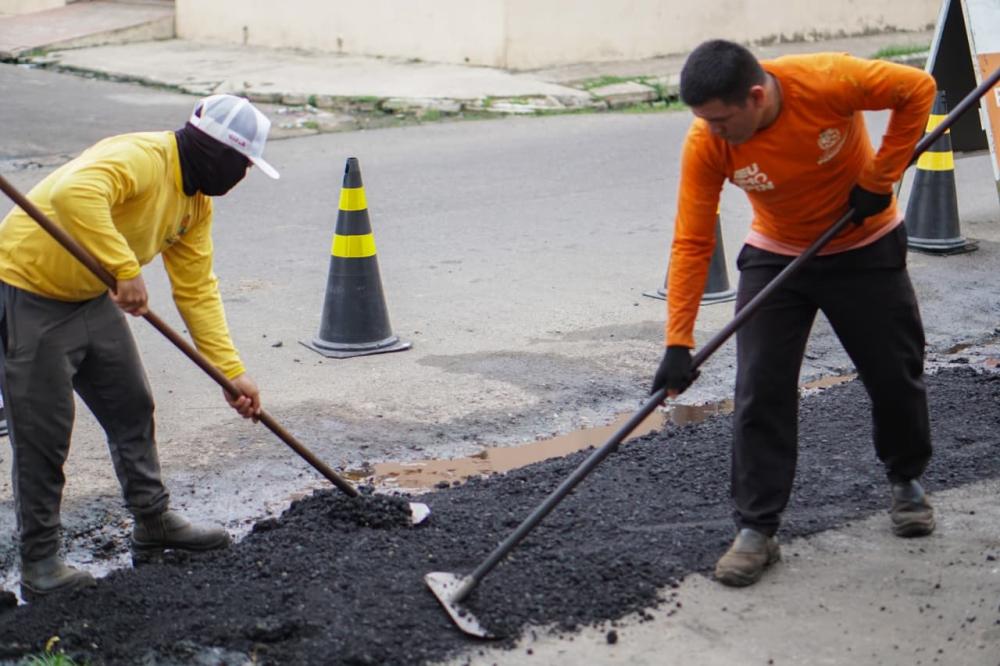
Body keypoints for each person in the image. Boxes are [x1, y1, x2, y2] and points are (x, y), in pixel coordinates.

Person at [650, 40, 937, 587]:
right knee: (760, 388)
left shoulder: (827, 80)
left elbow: (917, 88)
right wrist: (677, 342)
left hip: (862, 242)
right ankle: (756, 529)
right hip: (778, 253)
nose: (712, 131)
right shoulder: (707, 141)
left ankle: (906, 480)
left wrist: (880, 178)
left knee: (894, 375)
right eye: (704, 121)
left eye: (721, 120)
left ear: (756, 97)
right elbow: (691, 241)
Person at [0, 94, 280, 600]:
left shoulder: (195, 203)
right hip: (29, 291)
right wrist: (124, 268)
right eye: (242, 164)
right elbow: (73, 192)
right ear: (216, 153)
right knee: (43, 435)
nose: (241, 176)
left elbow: (197, 289)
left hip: (91, 297)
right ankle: (40, 564)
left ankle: (153, 521)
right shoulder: (142, 158)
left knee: (131, 406)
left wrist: (229, 372)